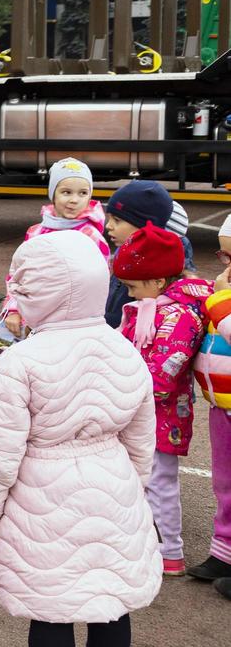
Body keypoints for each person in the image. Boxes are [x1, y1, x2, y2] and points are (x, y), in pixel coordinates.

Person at [0, 230, 161, 647]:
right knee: (110, 601)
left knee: (51, 607)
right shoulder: (123, 349)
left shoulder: (21, 361)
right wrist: (135, 485)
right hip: (112, 483)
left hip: (43, 491)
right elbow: (141, 431)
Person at [113, 223, 210, 576]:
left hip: (161, 415)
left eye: (133, 287)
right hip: (140, 411)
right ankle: (142, 540)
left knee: (161, 482)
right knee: (137, 479)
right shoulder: (152, 308)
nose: (129, 294)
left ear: (157, 282)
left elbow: (163, 374)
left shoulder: (178, 316)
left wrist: (118, 383)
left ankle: (170, 550)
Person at [1, 157, 108, 338]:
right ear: (53, 193)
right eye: (66, 192)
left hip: (73, 321)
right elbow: (18, 274)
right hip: (35, 316)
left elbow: (99, 283)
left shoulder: (91, 236)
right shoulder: (36, 232)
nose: (74, 200)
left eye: (83, 193)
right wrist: (14, 309)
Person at [189, 216, 231, 594]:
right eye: (224, 256)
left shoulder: (225, 296)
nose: (228, 267)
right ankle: (225, 551)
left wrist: (218, 298)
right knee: (224, 482)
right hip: (222, 406)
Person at [102, 180, 192, 327]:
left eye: (117, 220)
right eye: (109, 218)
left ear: (146, 227)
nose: (108, 226)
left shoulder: (151, 268)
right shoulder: (125, 251)